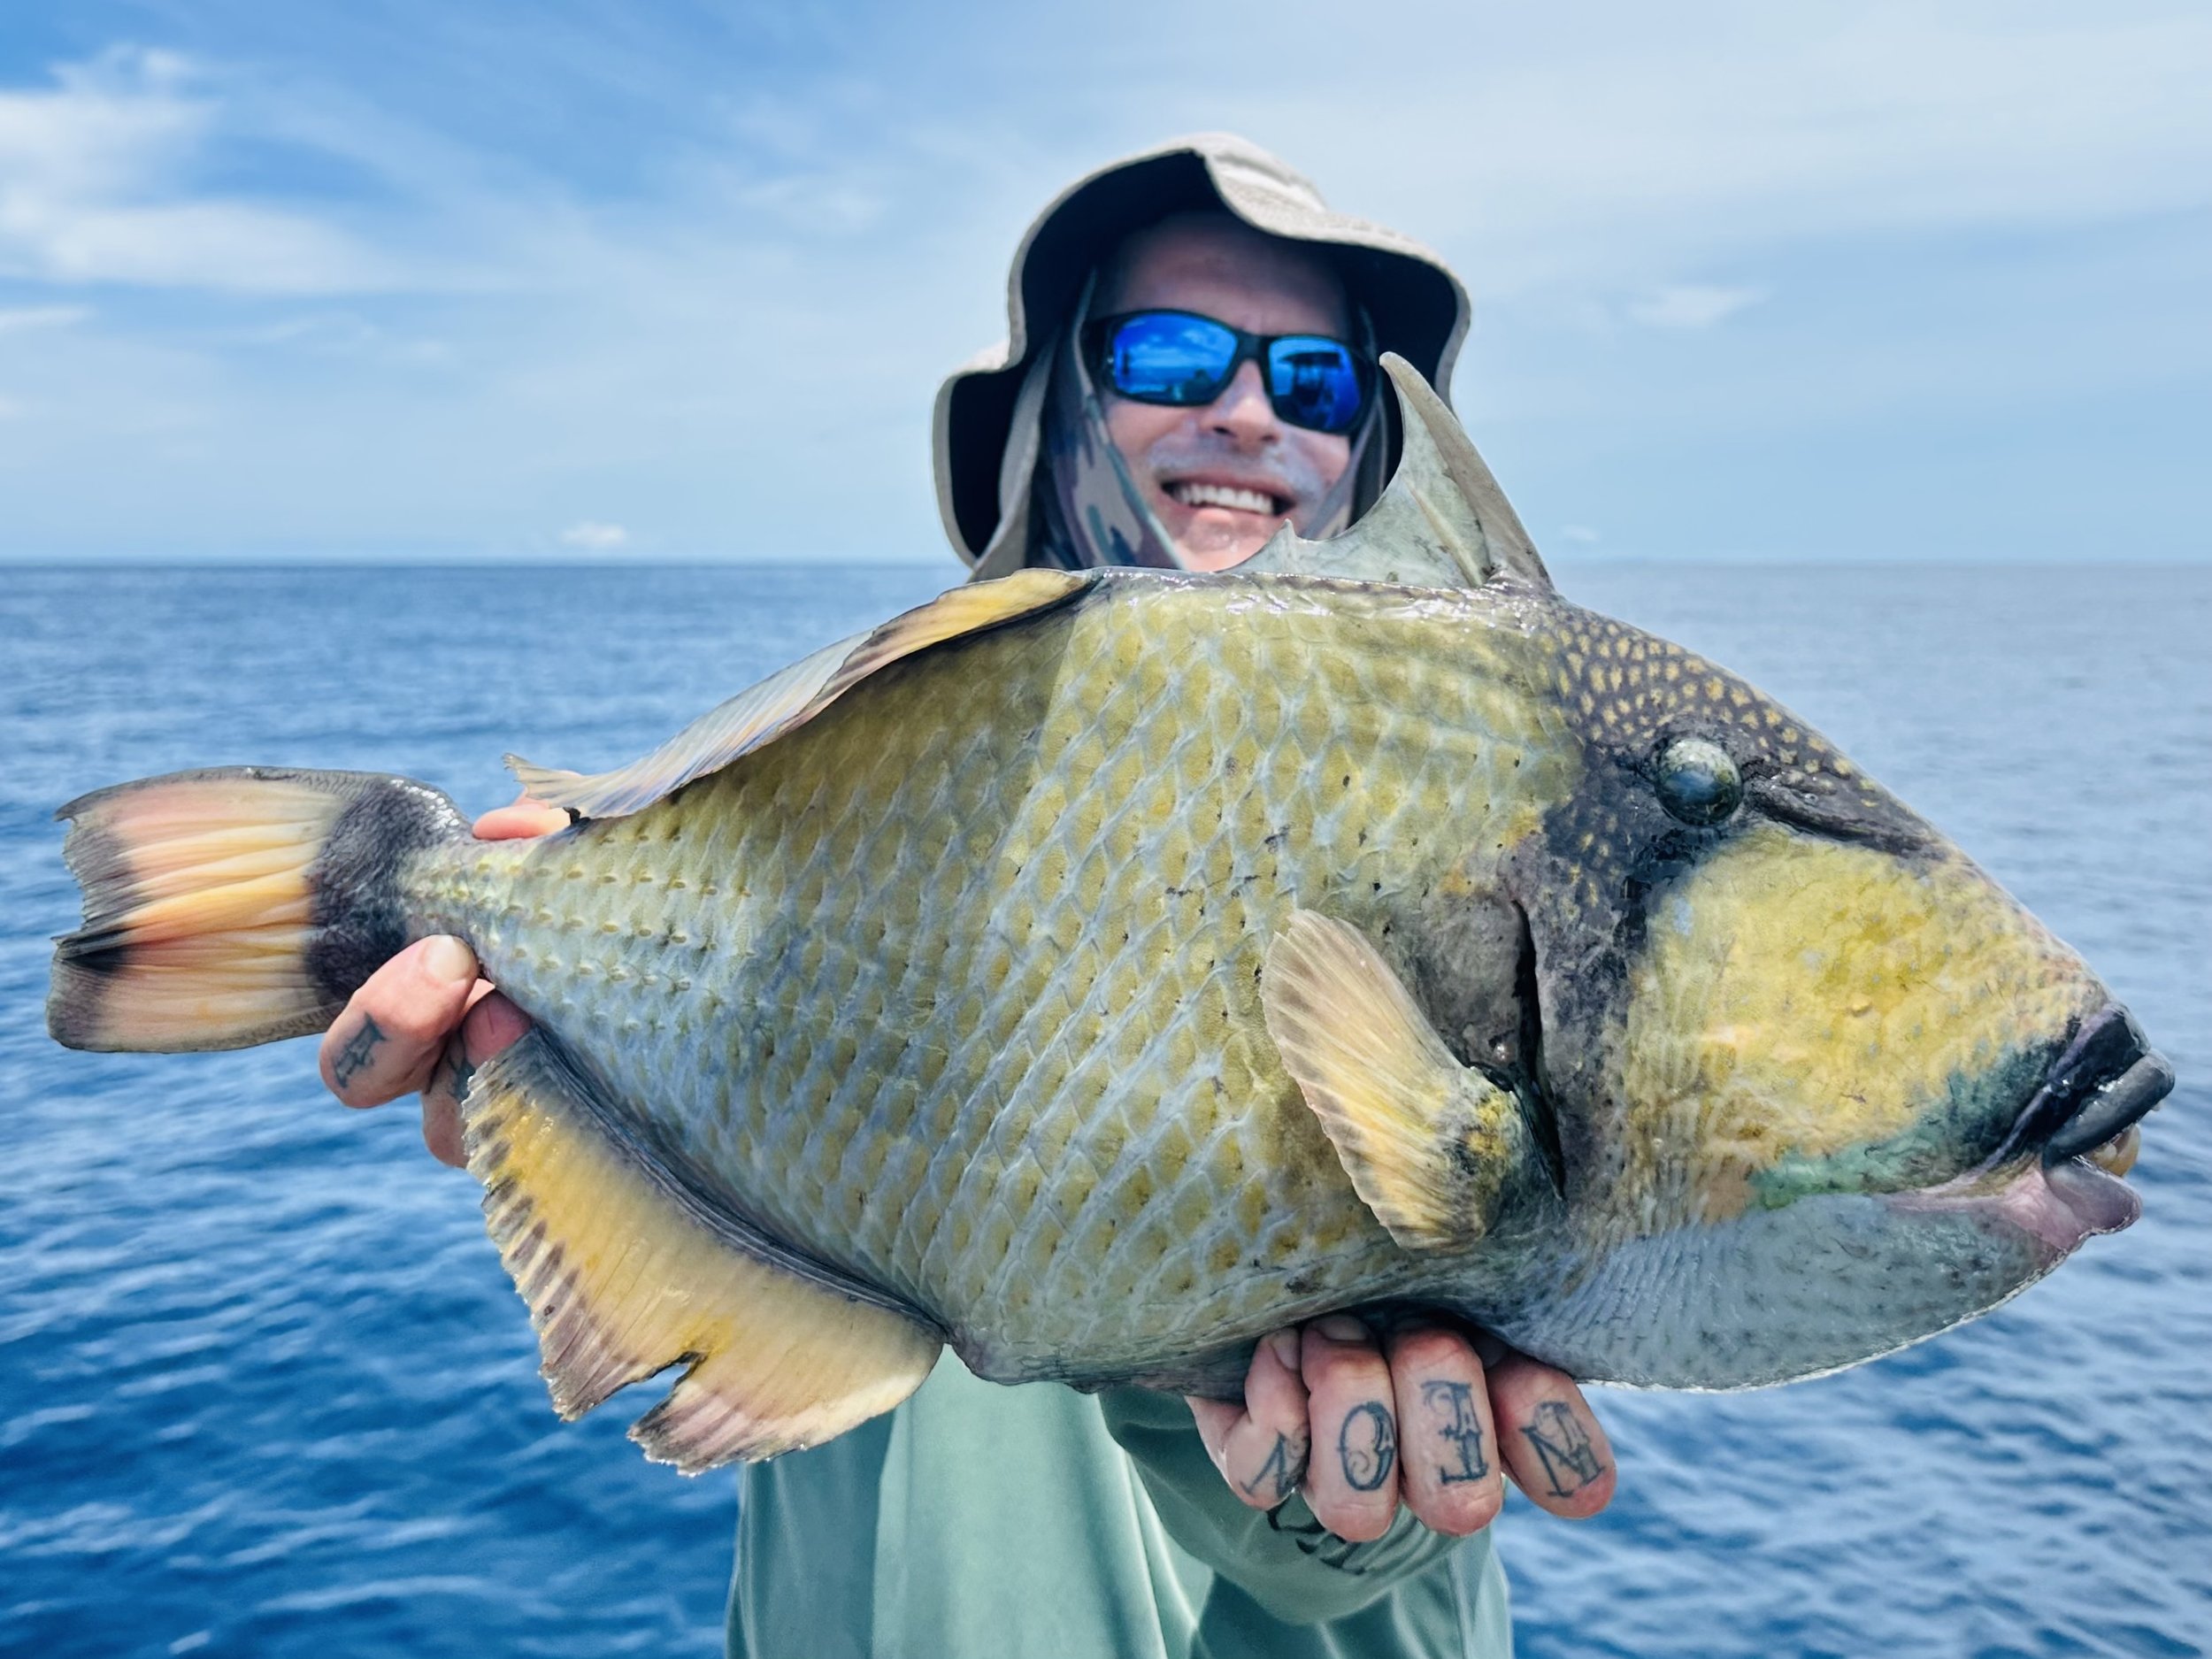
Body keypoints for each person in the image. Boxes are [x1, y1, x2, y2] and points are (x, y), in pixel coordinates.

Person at [319, 135, 1616, 1657]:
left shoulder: (1496, 830)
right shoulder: (820, 775)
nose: (1251, 412)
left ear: (1366, 449)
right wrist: (559, 1071)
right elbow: (652, 975)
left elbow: (1374, 1537)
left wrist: (1330, 1472)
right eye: (1175, 356)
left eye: (1319, 382)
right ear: (1060, 397)